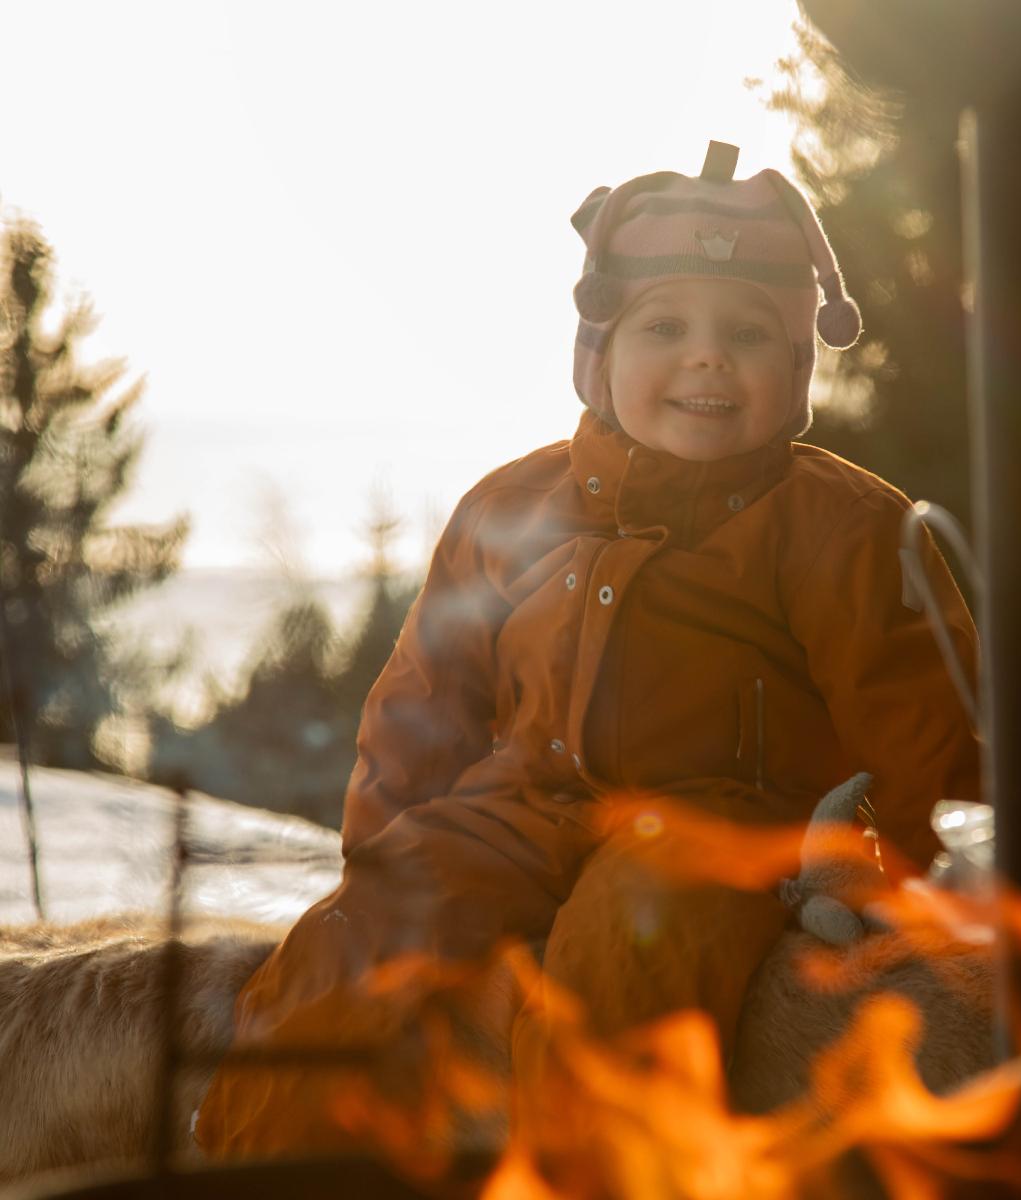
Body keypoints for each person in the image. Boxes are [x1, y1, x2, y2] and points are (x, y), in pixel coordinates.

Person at [195, 141, 979, 1158]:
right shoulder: (513, 506)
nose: (708, 357)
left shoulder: (837, 523)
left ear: (796, 366)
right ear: (597, 353)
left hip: (715, 830)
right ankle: (255, 1168)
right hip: (517, 811)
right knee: (348, 952)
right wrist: (382, 861)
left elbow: (920, 720)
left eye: (748, 332)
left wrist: (878, 864)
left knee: (632, 949)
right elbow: (429, 695)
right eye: (665, 326)